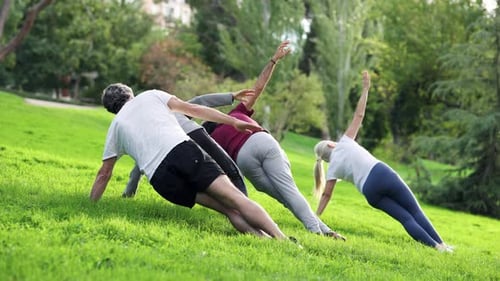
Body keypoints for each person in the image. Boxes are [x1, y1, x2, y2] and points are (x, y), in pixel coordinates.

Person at [90, 83, 289, 240]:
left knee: (227, 210)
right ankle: (283, 240)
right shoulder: (151, 95)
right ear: (130, 94)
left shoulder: (115, 127)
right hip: (182, 152)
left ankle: (262, 240)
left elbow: (104, 174)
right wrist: (233, 121)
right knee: (236, 200)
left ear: (111, 110)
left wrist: (90, 207)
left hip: (161, 179)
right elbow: (194, 108)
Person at [203, 40, 345, 240]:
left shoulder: (211, 141)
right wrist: (273, 61)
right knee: (290, 191)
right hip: (260, 141)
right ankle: (321, 231)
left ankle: (322, 229)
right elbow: (257, 88)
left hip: (243, 158)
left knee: (286, 197)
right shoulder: (235, 113)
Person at [313, 71, 453, 252]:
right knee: (415, 211)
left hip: (369, 192)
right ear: (331, 145)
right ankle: (442, 244)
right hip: (380, 174)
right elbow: (359, 116)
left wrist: (314, 216)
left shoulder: (332, 169)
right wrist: (365, 89)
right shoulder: (345, 142)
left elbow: (326, 196)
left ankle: (436, 248)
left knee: (405, 219)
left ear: (323, 160)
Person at [122, 89, 252, 197]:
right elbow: (199, 102)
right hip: (193, 134)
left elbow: (140, 162)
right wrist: (231, 96)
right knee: (232, 173)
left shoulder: (140, 125)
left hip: (174, 150)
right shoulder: (160, 103)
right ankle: (247, 212)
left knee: (205, 183)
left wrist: (129, 191)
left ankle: (235, 209)